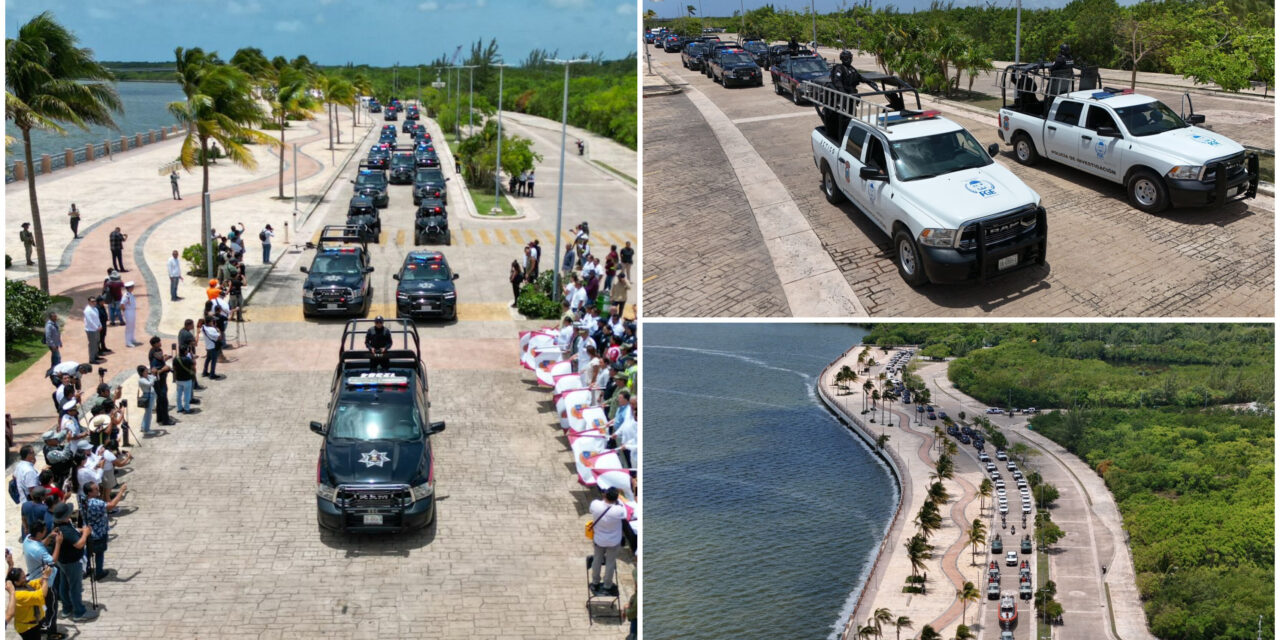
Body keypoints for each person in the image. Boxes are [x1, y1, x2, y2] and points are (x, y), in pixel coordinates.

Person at [50, 502, 96, 622]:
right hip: (72, 562)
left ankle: (67, 608)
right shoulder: (66, 530)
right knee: (75, 587)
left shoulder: (58, 525)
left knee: (64, 585)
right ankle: (79, 612)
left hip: (62, 561)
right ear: (65, 516)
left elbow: (73, 530)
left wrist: (80, 530)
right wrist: (85, 534)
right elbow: (79, 544)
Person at [81, 482, 127, 580]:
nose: (98, 490)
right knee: (99, 553)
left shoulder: (83, 500)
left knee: (88, 551)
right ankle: (99, 572)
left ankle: (85, 569)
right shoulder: (95, 503)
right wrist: (121, 491)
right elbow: (111, 505)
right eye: (96, 489)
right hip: (99, 532)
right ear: (89, 493)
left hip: (88, 531)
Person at [588, 487, 626, 596]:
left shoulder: (595, 504)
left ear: (605, 495)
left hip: (599, 539)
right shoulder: (619, 510)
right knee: (610, 563)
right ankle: (607, 585)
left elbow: (592, 509)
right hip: (613, 541)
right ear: (616, 498)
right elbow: (625, 513)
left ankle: (595, 582)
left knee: (597, 560)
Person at [8, 565, 55, 639]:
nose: (26, 578)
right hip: (28, 628)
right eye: (23, 578)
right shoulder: (18, 595)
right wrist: (46, 577)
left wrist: (44, 575)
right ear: (16, 582)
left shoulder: (22, 585)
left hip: (33, 623)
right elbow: (42, 595)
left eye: (25, 575)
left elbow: (35, 583)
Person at [148, 337, 174, 426]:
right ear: (154, 344)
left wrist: (165, 359)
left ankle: (160, 417)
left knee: (160, 400)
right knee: (163, 400)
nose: (160, 343)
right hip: (159, 381)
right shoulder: (153, 356)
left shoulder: (157, 352)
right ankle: (165, 420)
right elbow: (154, 372)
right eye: (158, 342)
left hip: (163, 379)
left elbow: (161, 359)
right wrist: (164, 369)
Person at [173, 344, 197, 413]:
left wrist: (174, 379)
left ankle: (179, 408)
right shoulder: (188, 359)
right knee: (187, 394)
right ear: (185, 351)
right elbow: (193, 367)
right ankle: (187, 408)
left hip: (178, 379)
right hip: (187, 379)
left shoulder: (175, 359)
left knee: (178, 394)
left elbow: (174, 370)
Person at [82, 297, 102, 365]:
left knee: (97, 342)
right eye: (92, 301)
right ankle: (92, 359)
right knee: (92, 344)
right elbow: (90, 321)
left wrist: (100, 325)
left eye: (95, 301)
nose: (94, 302)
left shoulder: (95, 309)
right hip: (91, 330)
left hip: (97, 329)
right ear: (89, 302)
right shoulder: (87, 310)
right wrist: (96, 327)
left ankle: (96, 356)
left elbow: (97, 318)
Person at [121, 282, 138, 347]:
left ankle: (132, 338)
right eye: (132, 287)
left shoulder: (130, 294)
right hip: (128, 312)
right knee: (129, 326)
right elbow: (122, 304)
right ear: (130, 288)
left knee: (132, 325)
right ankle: (128, 341)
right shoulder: (126, 295)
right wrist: (124, 311)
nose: (133, 288)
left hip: (132, 311)